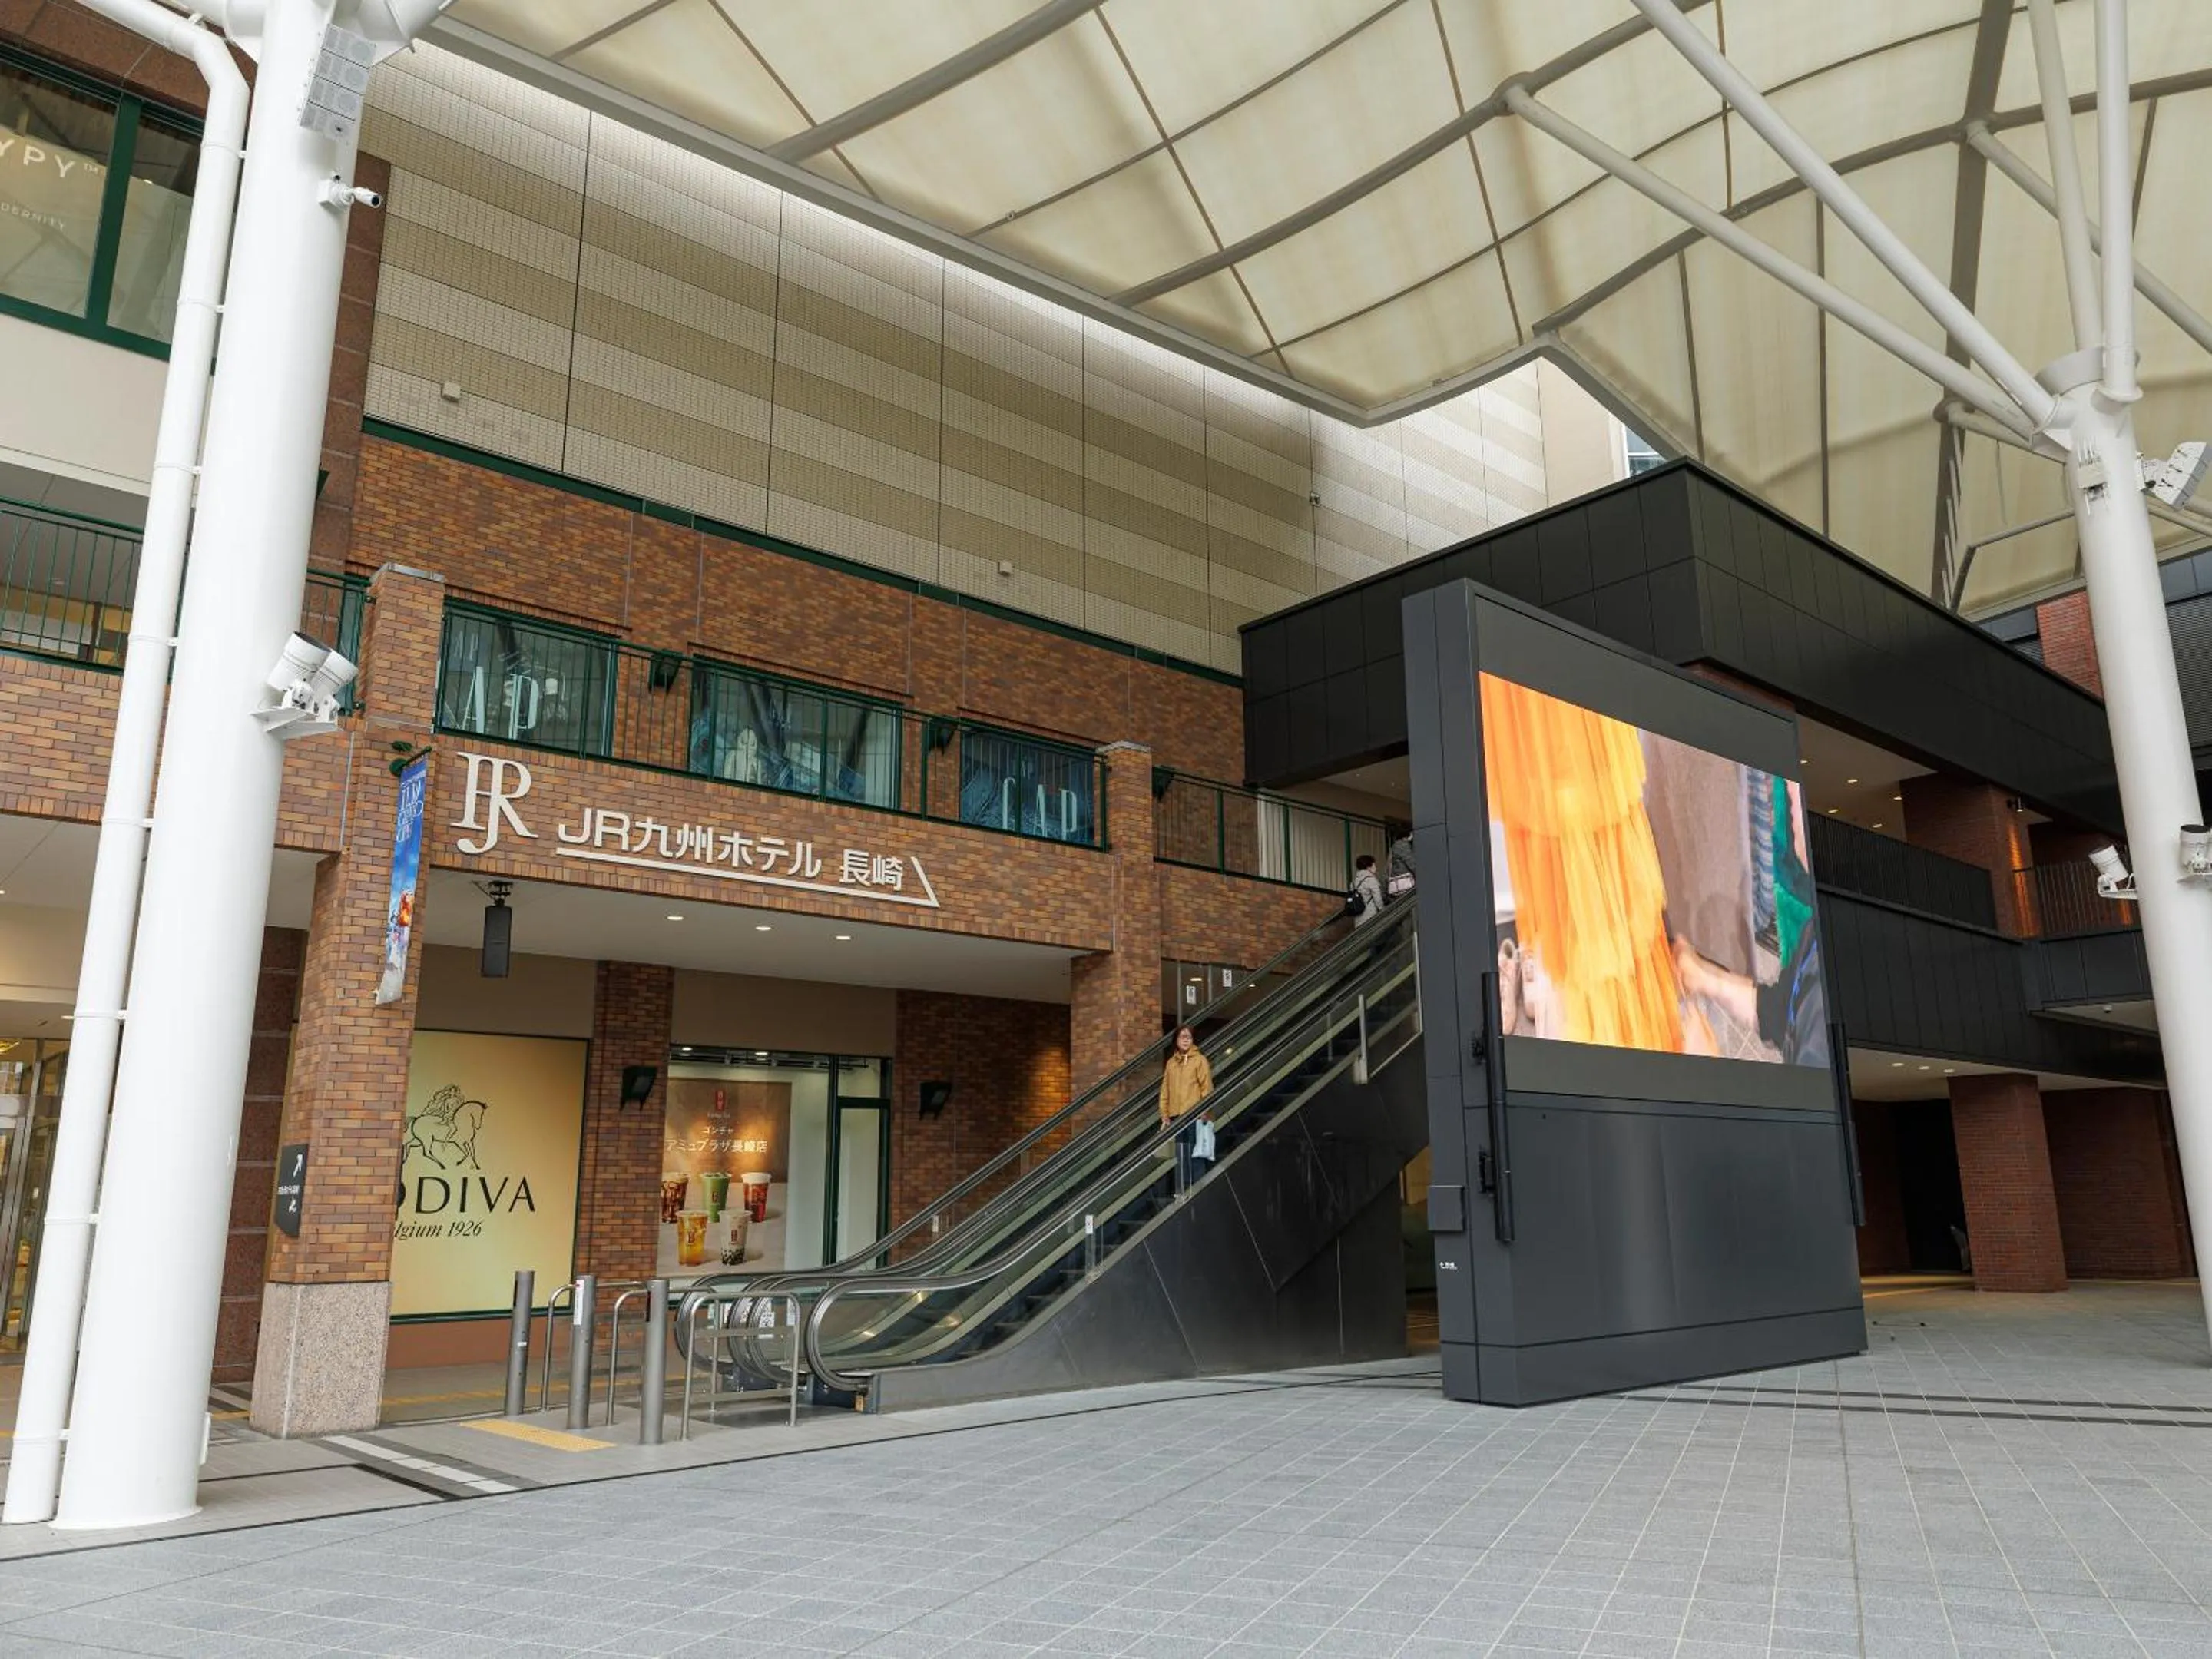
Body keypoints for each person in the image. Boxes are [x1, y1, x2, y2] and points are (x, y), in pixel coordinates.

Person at [1158, 1024, 1214, 1193]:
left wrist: (1205, 1111)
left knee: (1196, 1156)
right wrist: (1164, 1113)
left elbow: (1207, 1087)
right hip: (1176, 1116)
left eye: (1188, 1037)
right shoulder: (1171, 1064)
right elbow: (1165, 1089)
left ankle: (1198, 1192)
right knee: (1181, 1156)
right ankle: (1182, 1191)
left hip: (1195, 1115)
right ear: (1176, 1040)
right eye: (1182, 1037)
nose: (1185, 1040)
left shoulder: (1200, 1060)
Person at [1349, 853, 1385, 926]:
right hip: (1370, 916)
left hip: (1358, 917)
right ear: (1368, 867)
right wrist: (1383, 910)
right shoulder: (1371, 880)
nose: (1376, 867)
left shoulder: (1353, 882)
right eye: (1374, 865)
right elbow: (1377, 899)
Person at [1386, 833, 1416, 899]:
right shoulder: (1403, 846)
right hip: (1405, 882)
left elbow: (1388, 867)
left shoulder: (1394, 847)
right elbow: (1412, 864)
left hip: (1397, 884)